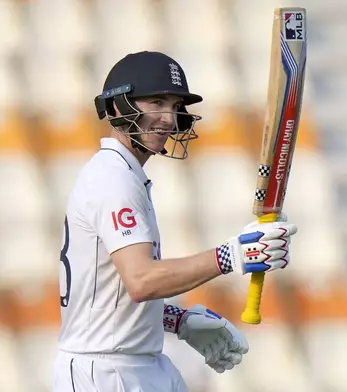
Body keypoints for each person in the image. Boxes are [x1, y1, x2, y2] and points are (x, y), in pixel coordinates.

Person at [53, 51, 298, 392]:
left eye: (175, 106)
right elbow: (141, 281)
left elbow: (107, 291)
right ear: (115, 108)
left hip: (136, 363)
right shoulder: (112, 180)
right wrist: (232, 256)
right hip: (106, 373)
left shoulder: (124, 175)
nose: (169, 119)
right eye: (156, 102)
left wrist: (176, 320)